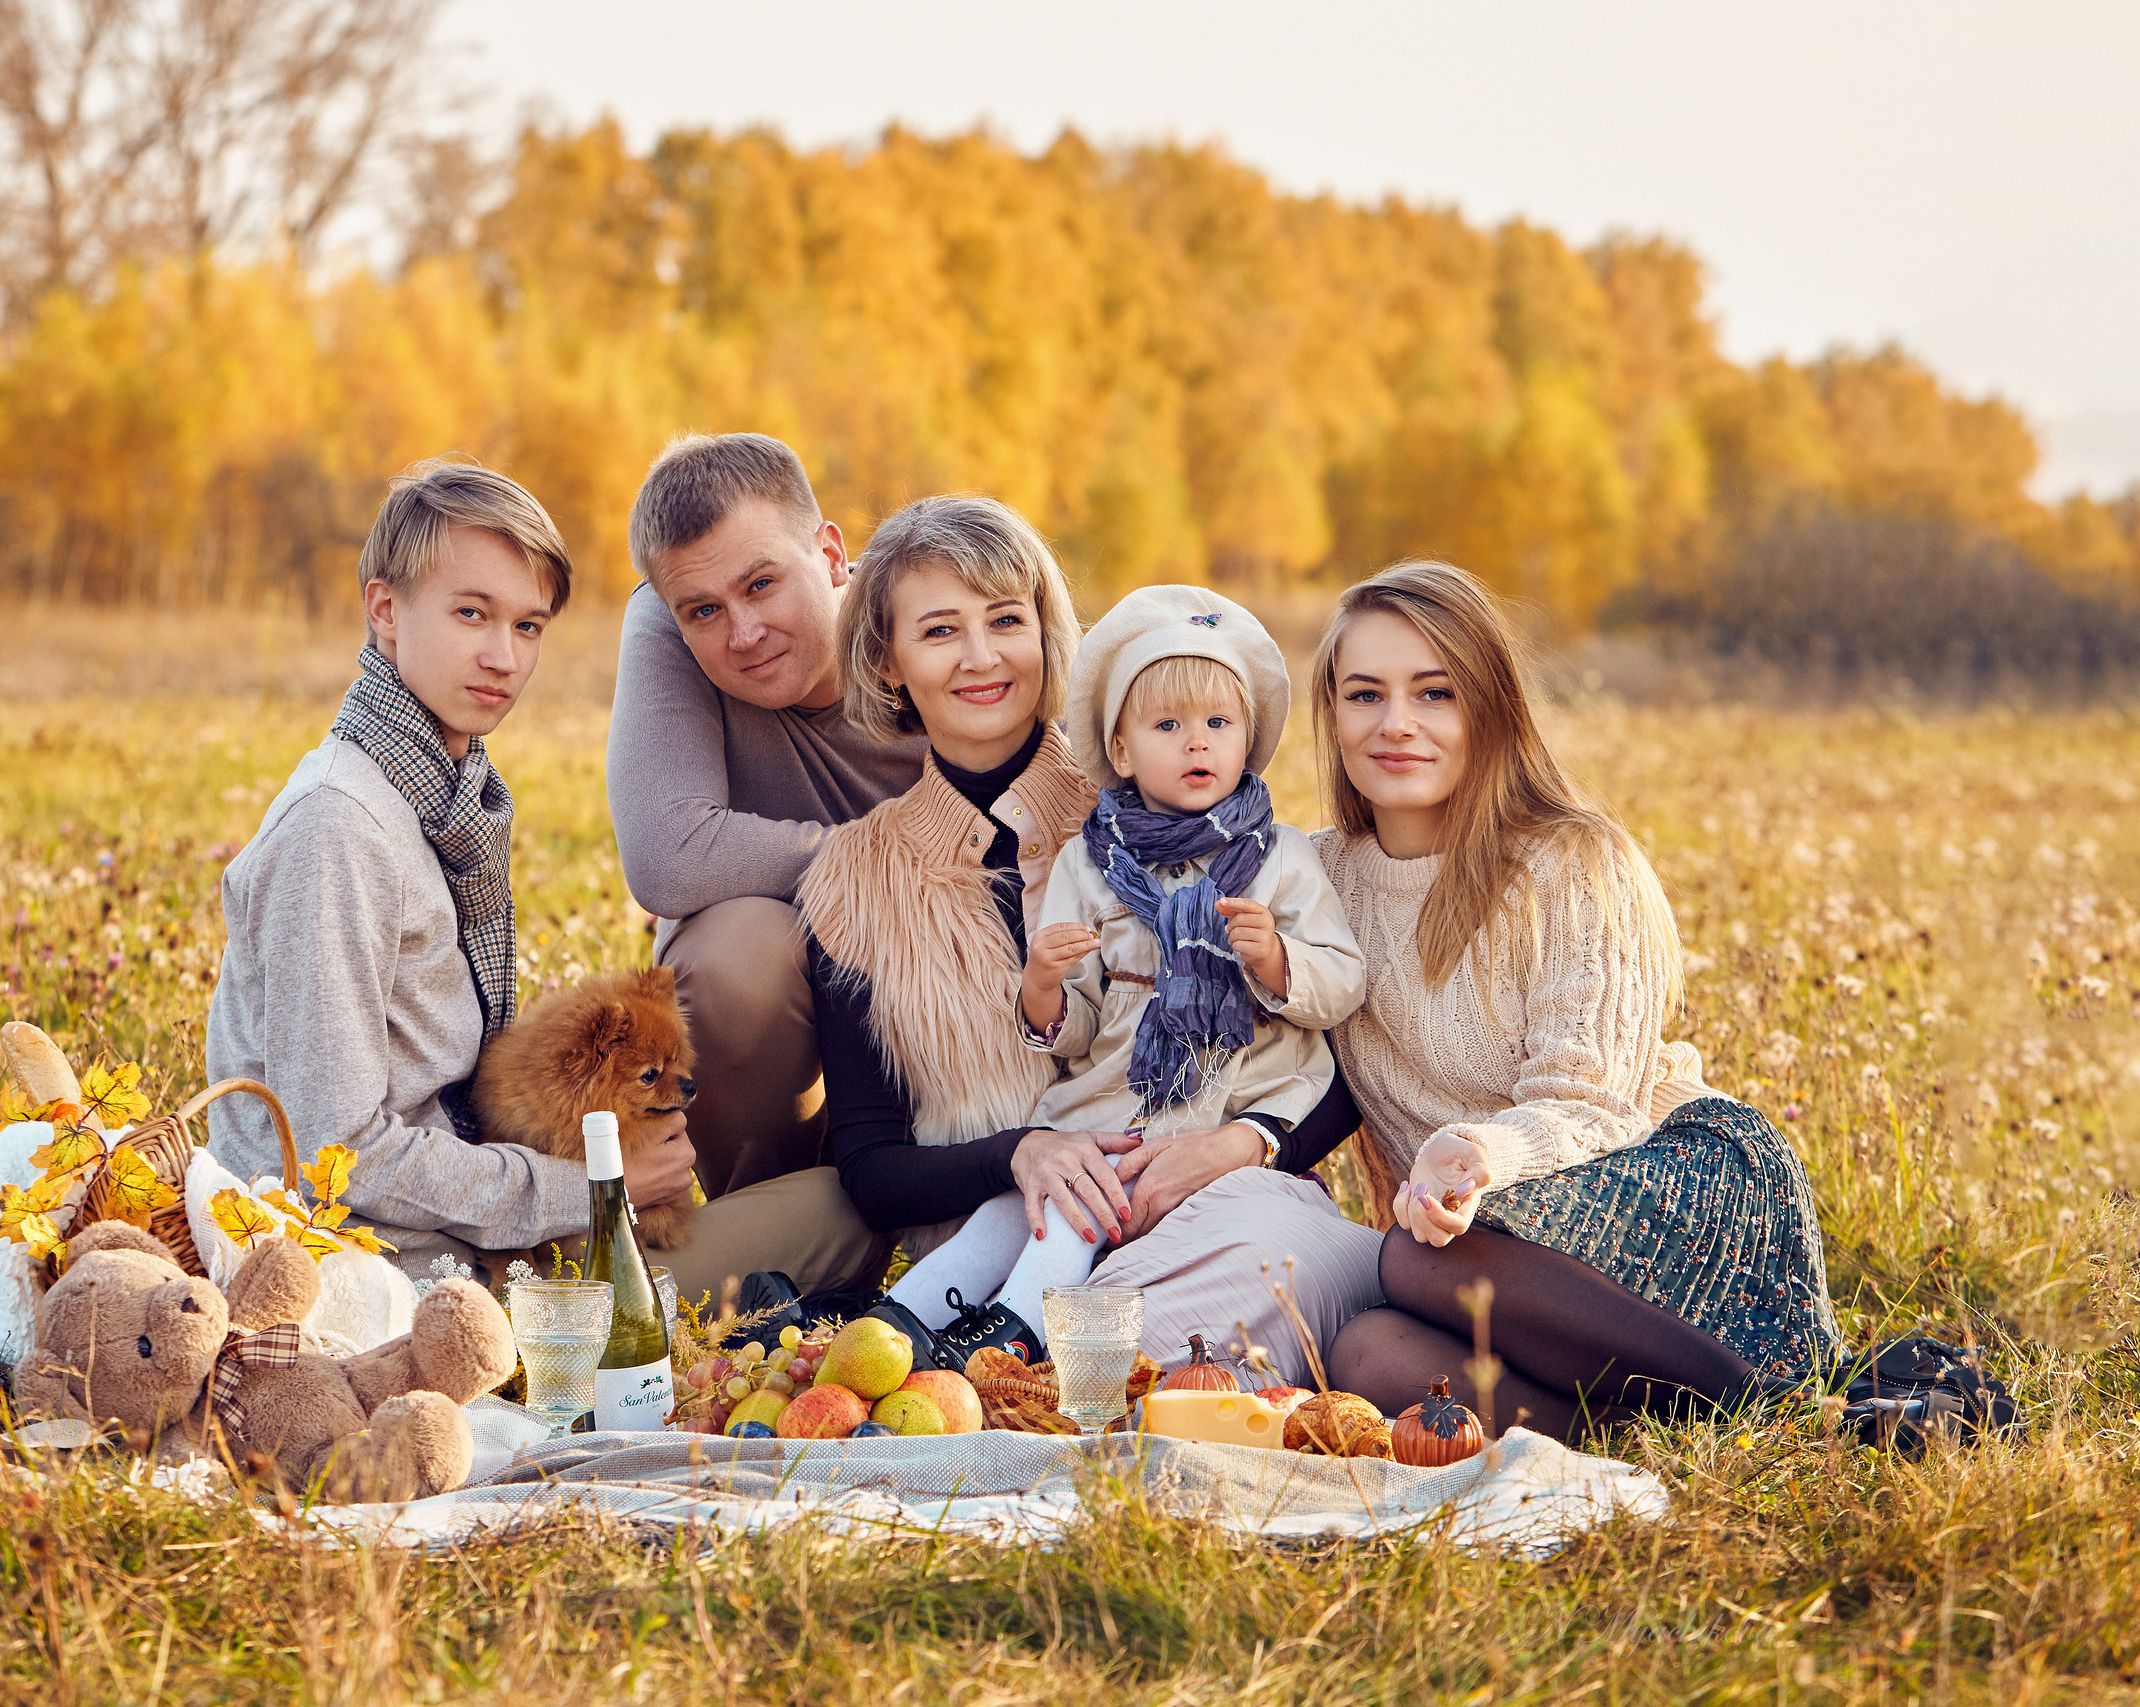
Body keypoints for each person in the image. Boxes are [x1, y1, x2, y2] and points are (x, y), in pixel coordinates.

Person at [1123, 559, 1843, 1438]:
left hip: (1666, 1188)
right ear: (1333, 715)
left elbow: (1593, 1101)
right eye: (1364, 695)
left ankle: (1782, 1409)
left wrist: (1469, 1151)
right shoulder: (1312, 880)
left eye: (1435, 694)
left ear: (1488, 708)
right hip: (1474, 1243)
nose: (1396, 724)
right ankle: (1642, 1430)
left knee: (1413, 1265)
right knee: (1365, 1353)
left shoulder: (1573, 859)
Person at [203, 459, 881, 1305]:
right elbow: (334, 1155)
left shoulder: (445, 799)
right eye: (471, 614)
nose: (501, 657)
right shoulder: (339, 827)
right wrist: (593, 1189)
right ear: (385, 611)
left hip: (483, 1234)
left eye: (528, 627)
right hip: (394, 1276)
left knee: (842, 1196)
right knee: (845, 1214)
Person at [870, 584, 1371, 1364]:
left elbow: (1343, 983)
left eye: (1217, 723)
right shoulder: (1090, 863)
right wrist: (1040, 984)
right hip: (1106, 1111)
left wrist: (1274, 959)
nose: (1196, 743)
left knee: (1078, 1211)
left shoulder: (1283, 857)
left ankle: (1011, 1340)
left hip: (1225, 1111)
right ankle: (897, 1325)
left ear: (1248, 738)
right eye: (1168, 725)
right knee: (1017, 1207)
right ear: (1124, 749)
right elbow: (1075, 1026)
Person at [607, 433, 929, 1200]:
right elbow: (668, 856)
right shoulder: (664, 614)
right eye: (704, 610)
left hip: (962, 965)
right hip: (800, 985)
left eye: (761, 584)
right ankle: (782, 1218)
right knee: (731, 954)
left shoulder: (931, 608)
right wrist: (899, 854)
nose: (741, 633)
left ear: (829, 553)